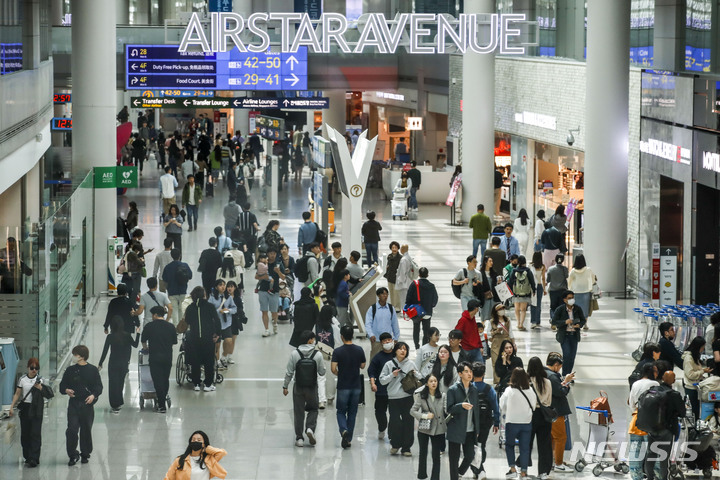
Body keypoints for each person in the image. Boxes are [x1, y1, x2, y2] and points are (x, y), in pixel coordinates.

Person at [60, 345, 103, 466]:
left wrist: (93, 396)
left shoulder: (93, 370)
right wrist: (67, 390)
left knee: (86, 429)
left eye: (75, 354)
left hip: (87, 404)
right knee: (72, 429)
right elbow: (62, 387)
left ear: (82, 356)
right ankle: (73, 454)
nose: (73, 357)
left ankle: (85, 453)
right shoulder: (70, 370)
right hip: (74, 403)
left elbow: (99, 387)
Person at [283, 330, 325, 447]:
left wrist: (285, 386)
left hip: (299, 387)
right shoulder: (318, 354)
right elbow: (322, 372)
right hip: (312, 387)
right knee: (313, 408)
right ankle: (310, 428)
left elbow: (289, 372)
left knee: (298, 412)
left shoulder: (295, 353)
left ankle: (299, 438)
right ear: (310, 340)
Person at [9, 358, 54, 468]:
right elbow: (17, 393)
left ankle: (34, 457)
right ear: (28, 367)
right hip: (25, 408)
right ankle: (27, 456)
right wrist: (11, 406)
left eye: (36, 368)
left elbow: (47, 393)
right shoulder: (22, 379)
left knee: (35, 433)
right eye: (32, 368)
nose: (34, 370)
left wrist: (40, 387)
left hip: (37, 408)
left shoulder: (41, 380)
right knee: (25, 433)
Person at [642, 371, 685, 480]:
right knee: (663, 458)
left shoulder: (652, 391)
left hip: (652, 428)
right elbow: (682, 413)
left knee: (650, 455)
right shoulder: (674, 395)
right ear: (674, 381)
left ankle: (650, 478)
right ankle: (664, 478)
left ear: (662, 378)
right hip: (667, 430)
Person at [331, 325, 366, 449]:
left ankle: (343, 430)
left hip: (343, 385)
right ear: (352, 335)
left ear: (341, 336)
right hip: (356, 386)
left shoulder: (338, 351)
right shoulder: (359, 350)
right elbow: (362, 366)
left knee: (341, 411)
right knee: (352, 412)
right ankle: (349, 439)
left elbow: (333, 368)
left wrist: (339, 373)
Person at [499, 368, 537, 479]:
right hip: (526, 422)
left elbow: (502, 405)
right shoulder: (530, 390)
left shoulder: (509, 390)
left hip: (512, 422)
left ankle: (512, 469)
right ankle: (524, 472)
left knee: (510, 445)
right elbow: (534, 406)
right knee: (525, 448)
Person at [445, 361, 480, 480]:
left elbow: (477, 411)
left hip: (470, 429)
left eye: (470, 371)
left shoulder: (474, 389)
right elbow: (449, 409)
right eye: (466, 371)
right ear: (460, 374)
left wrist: (477, 428)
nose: (469, 374)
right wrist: (461, 406)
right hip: (456, 428)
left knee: (470, 455)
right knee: (453, 459)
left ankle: (459, 472)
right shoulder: (452, 390)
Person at [184, 286, 222, 392]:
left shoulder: (190, 308)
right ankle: (208, 384)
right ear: (204, 295)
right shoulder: (210, 306)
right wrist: (217, 334)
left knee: (195, 361)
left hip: (194, 338)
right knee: (209, 362)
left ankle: (196, 383)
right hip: (208, 338)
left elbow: (187, 321)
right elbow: (217, 320)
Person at [98, 316, 140, 413]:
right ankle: (119, 401)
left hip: (113, 362)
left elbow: (105, 351)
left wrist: (100, 363)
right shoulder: (127, 335)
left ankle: (114, 405)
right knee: (120, 383)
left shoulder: (110, 337)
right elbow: (135, 345)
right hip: (124, 363)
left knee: (113, 383)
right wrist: (138, 333)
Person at [140, 306, 177, 413]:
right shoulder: (170, 326)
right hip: (167, 357)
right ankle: (162, 400)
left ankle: (161, 405)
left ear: (155, 315)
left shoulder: (149, 326)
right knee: (165, 379)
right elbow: (174, 342)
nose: (152, 317)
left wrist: (146, 348)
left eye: (152, 315)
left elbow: (143, 341)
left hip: (155, 357)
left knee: (157, 381)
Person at [411, 373, 448, 480]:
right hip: (424, 428)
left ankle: (435, 477)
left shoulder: (443, 395)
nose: (433, 383)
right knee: (423, 453)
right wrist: (424, 415)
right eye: (431, 381)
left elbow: (446, 410)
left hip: (439, 429)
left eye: (435, 381)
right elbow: (412, 411)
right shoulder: (421, 396)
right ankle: (422, 475)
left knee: (436, 455)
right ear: (426, 384)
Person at [628, 363, 659, 480]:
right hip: (651, 421)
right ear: (652, 372)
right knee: (653, 451)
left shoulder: (635, 384)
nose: (657, 373)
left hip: (636, 420)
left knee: (635, 452)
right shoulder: (655, 384)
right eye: (656, 371)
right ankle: (655, 476)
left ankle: (636, 476)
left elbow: (631, 403)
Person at [545, 352, 575, 472]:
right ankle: (558, 463)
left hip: (549, 410)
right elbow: (560, 392)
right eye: (560, 366)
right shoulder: (552, 376)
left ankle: (553, 460)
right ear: (556, 365)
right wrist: (566, 382)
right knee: (561, 437)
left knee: (553, 437)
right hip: (556, 411)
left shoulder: (544, 373)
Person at [470, 362, 500, 480]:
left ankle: (478, 470)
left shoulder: (469, 387)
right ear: (483, 374)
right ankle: (479, 469)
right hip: (486, 421)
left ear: (472, 373)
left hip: (471, 421)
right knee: (481, 444)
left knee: (471, 446)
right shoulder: (489, 389)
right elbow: (495, 407)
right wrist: (496, 422)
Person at [527, 357, 554, 480]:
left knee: (527, 443)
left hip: (531, 415)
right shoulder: (547, 382)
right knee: (544, 445)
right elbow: (549, 400)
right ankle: (543, 472)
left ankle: (523, 469)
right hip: (545, 415)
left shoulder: (527, 382)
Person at [551, 291, 586, 376]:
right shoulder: (560, 309)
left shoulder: (577, 309)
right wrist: (565, 322)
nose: (572, 300)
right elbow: (554, 322)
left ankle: (569, 374)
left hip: (574, 335)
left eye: (572, 298)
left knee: (572, 356)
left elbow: (583, 320)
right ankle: (564, 375)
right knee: (566, 355)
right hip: (564, 335)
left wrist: (579, 325)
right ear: (564, 300)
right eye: (569, 298)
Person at [368, 332, 396, 439]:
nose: (388, 342)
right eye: (385, 340)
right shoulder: (378, 357)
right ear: (381, 343)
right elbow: (371, 371)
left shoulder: (397, 355)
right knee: (380, 412)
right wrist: (373, 383)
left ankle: (392, 434)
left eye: (389, 339)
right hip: (381, 390)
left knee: (394, 413)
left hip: (395, 390)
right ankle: (382, 427)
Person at [405, 267, 438, 349]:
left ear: (419, 275)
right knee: (426, 330)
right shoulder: (431, 286)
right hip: (427, 311)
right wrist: (431, 306)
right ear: (427, 275)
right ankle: (424, 347)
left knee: (416, 329)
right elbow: (435, 298)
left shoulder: (414, 284)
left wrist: (409, 307)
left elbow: (408, 298)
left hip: (416, 312)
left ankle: (417, 346)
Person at [207, 279, 237, 370]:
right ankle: (217, 361)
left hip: (226, 322)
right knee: (217, 344)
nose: (223, 287)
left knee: (229, 341)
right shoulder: (212, 297)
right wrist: (218, 311)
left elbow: (234, 308)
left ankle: (224, 356)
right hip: (216, 324)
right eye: (220, 285)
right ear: (216, 287)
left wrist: (229, 311)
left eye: (224, 285)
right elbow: (209, 310)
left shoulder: (229, 297)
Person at [315, 305, 341, 409]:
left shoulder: (316, 326)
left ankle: (321, 400)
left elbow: (313, 340)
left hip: (318, 355)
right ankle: (330, 396)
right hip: (331, 355)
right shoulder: (334, 327)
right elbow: (338, 342)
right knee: (331, 377)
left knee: (320, 377)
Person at [365, 287, 400, 359]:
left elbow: (394, 323)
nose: (385, 296)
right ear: (378, 296)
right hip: (376, 340)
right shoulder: (372, 308)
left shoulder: (391, 308)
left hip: (388, 341)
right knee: (374, 358)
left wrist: (396, 337)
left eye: (387, 294)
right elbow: (368, 324)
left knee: (389, 359)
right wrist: (371, 334)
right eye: (383, 294)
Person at [256, 250, 285, 337]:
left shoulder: (279, 264)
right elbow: (256, 276)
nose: (272, 255)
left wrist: (278, 272)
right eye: (271, 253)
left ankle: (275, 323)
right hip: (263, 290)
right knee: (264, 311)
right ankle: (266, 329)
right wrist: (264, 276)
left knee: (274, 311)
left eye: (274, 253)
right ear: (267, 254)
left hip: (274, 291)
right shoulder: (263, 264)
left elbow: (283, 277)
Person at [683, 336, 711, 418]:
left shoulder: (694, 356)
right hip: (691, 388)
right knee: (694, 411)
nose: (703, 349)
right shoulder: (688, 358)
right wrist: (703, 371)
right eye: (702, 347)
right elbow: (690, 374)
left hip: (696, 387)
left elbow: (694, 370)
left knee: (697, 410)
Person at [162, 248, 192, 326]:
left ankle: (176, 327)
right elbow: (190, 276)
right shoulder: (185, 265)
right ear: (180, 255)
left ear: (171, 256)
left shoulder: (168, 267)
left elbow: (164, 279)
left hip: (172, 291)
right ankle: (182, 326)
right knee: (181, 308)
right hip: (182, 290)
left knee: (174, 309)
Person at [508, 255, 536, 331]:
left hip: (516, 293)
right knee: (523, 310)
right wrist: (534, 290)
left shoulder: (514, 270)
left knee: (516, 309)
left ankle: (518, 323)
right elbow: (532, 281)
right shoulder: (528, 271)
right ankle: (521, 324)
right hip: (525, 293)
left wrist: (509, 291)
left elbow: (510, 282)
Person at [489, 303, 514, 381]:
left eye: (503, 309)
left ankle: (508, 379)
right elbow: (489, 335)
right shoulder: (492, 321)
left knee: (508, 361)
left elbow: (511, 332)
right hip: (496, 343)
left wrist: (513, 344)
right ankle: (497, 381)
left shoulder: (507, 320)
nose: (502, 311)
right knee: (496, 362)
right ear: (496, 311)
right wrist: (496, 331)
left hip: (506, 342)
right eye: (500, 309)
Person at [454, 299, 484, 363]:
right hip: (466, 349)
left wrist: (480, 346)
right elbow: (456, 333)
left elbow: (476, 334)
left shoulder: (473, 319)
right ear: (476, 309)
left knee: (480, 369)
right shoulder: (463, 320)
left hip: (476, 349)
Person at [567, 254, 594, 322]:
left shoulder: (573, 271)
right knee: (585, 308)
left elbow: (569, 281)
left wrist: (569, 289)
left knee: (576, 308)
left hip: (575, 292)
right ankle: (585, 323)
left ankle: (577, 322)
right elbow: (593, 279)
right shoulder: (588, 269)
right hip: (586, 291)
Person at [546, 254, 568, 325]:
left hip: (553, 290)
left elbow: (548, 280)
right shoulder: (565, 269)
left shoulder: (550, 269)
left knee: (553, 307)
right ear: (563, 260)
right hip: (562, 290)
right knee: (562, 306)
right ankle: (560, 321)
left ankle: (553, 320)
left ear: (555, 259)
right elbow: (566, 276)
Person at [529, 252, 547, 329]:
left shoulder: (530, 266)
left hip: (532, 286)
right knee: (538, 304)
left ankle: (533, 321)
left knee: (533, 304)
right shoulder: (542, 266)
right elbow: (543, 278)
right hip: (539, 286)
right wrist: (544, 289)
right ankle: (537, 321)